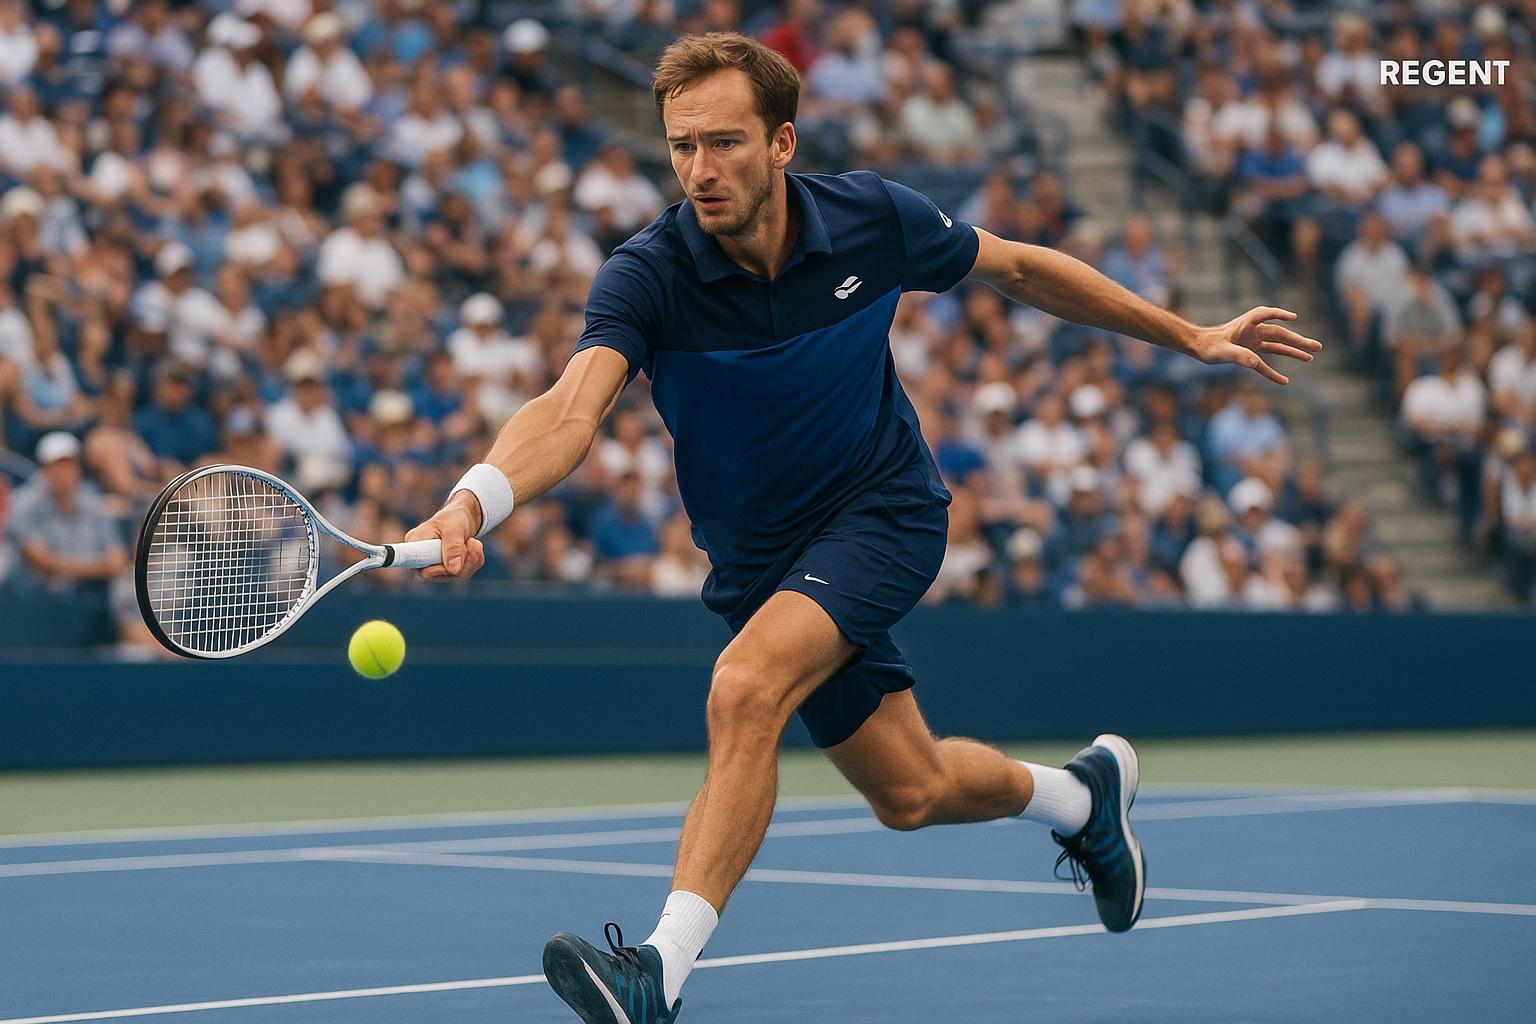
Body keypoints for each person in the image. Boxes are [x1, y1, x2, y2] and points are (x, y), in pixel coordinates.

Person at [403, 33, 1322, 1024]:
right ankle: (1083, 798)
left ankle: (656, 975)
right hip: (761, 565)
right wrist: (474, 497)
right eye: (681, 148)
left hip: (881, 514)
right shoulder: (650, 273)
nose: (699, 171)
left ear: (783, 142)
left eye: (723, 143)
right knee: (911, 790)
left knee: (745, 688)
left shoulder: (872, 220)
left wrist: (1189, 334)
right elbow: (570, 408)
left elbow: (1018, 268)